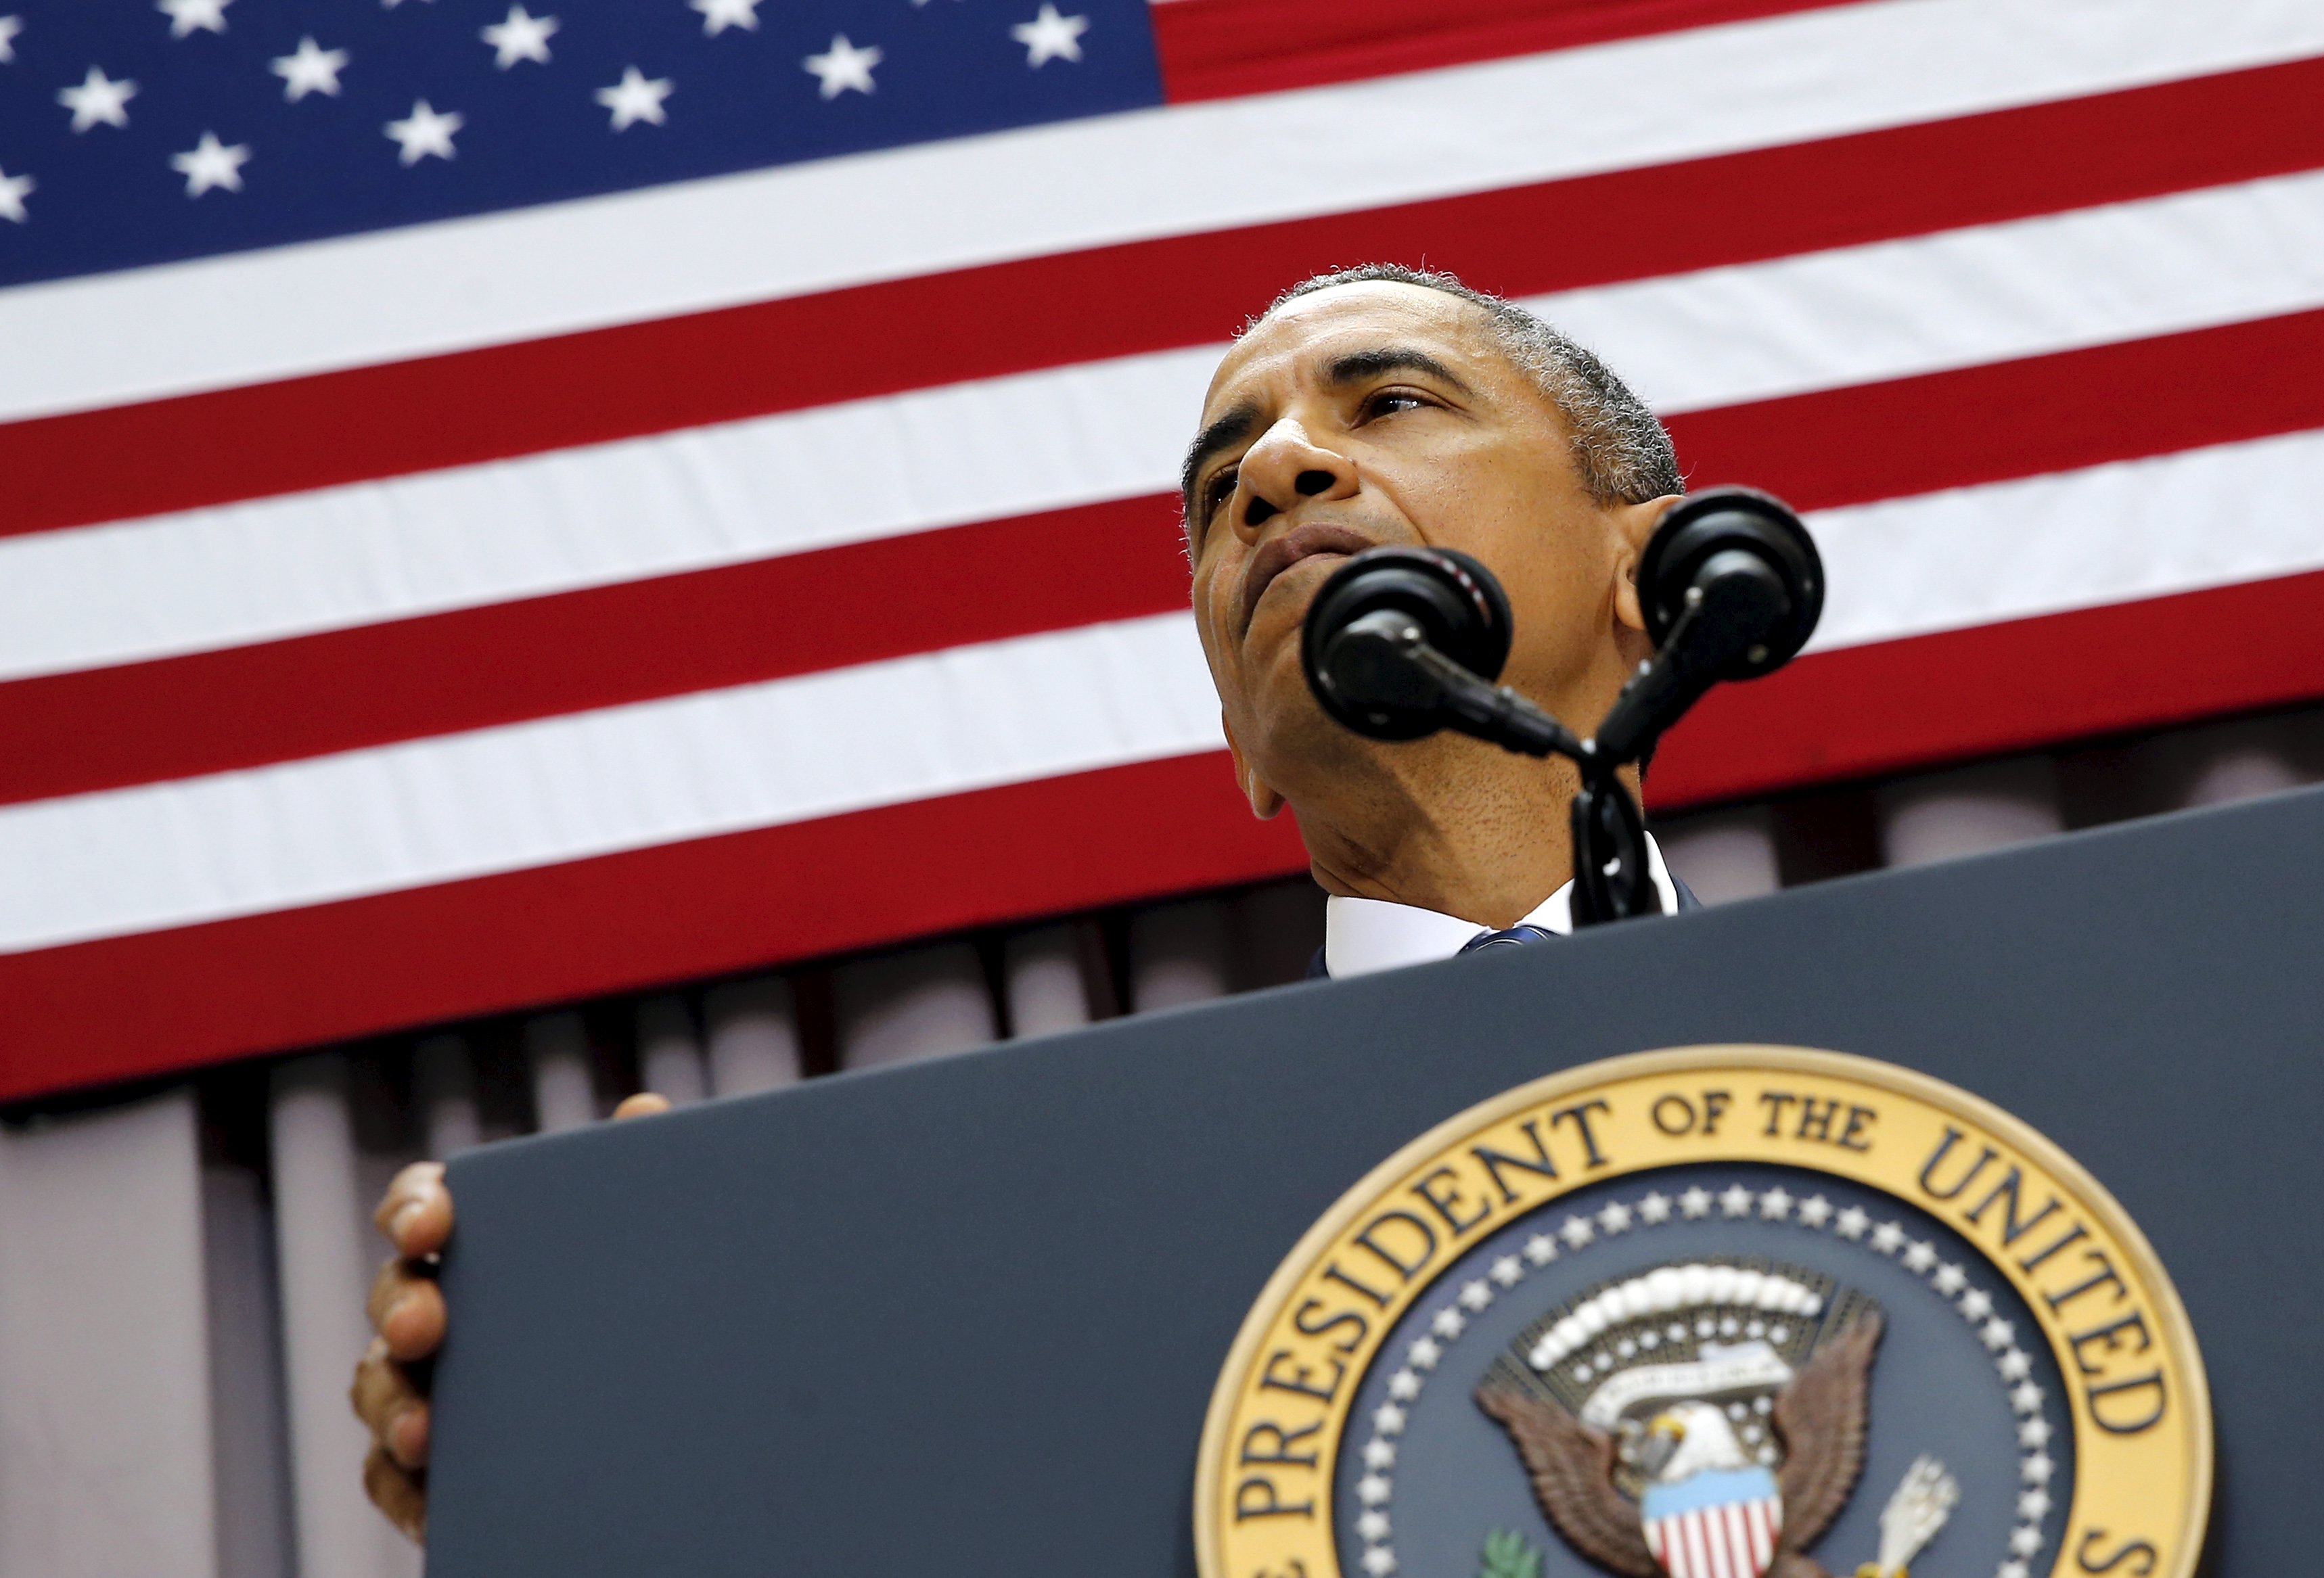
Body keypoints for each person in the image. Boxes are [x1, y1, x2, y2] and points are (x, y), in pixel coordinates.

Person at [351, 262, 1700, 1537]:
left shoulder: (1909, 1028)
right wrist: (636, 1448)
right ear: (1238, 737)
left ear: (1656, 583)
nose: (1274, 478)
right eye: (1224, 480)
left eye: (1391, 403)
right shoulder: (1012, 1268)